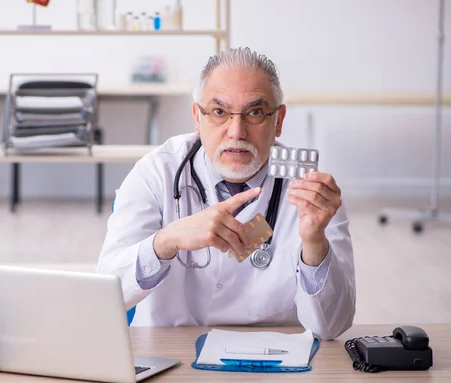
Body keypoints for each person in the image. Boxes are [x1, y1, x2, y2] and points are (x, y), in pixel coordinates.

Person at [96, 47, 355, 340]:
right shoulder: (156, 172)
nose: (236, 131)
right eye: (219, 112)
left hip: (273, 363)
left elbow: (332, 326)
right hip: (170, 355)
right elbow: (107, 290)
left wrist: (314, 243)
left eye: (255, 113)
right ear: (197, 116)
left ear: (279, 120)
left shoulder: (313, 193)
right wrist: (166, 240)